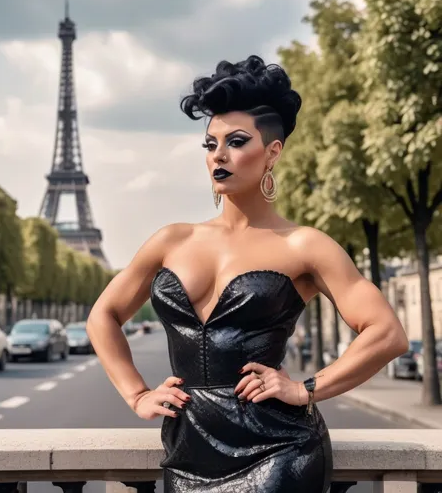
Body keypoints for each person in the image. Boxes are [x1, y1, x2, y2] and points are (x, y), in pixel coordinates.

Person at [86, 55, 408, 493]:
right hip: (187, 451)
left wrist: (305, 388)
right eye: (210, 143)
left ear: (272, 152)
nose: (219, 154)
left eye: (236, 141)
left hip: (278, 452)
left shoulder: (304, 245)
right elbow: (102, 316)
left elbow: (387, 333)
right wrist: (137, 394)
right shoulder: (171, 240)